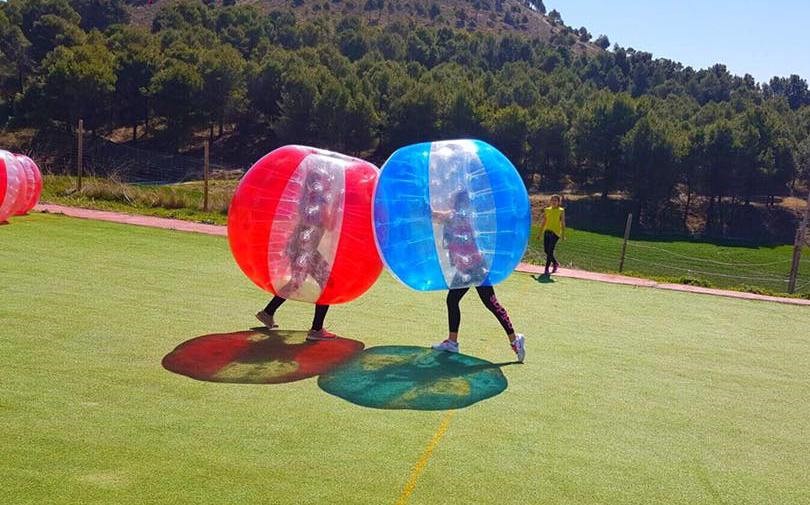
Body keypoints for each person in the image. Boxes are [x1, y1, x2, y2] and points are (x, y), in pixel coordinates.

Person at [430, 190, 526, 362]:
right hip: (472, 266)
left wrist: (422, 206)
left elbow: (436, 216)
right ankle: (513, 339)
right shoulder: (466, 217)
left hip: (471, 268)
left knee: (485, 303)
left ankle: (514, 339)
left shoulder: (455, 216)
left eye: (454, 200)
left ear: (458, 203)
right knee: (478, 302)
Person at [255, 166, 337, 341]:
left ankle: (268, 312)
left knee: (296, 282)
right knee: (328, 282)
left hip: (299, 247)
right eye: (327, 179)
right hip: (305, 249)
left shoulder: (308, 200)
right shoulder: (320, 202)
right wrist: (337, 204)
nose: (330, 181)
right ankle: (316, 330)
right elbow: (329, 225)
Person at [538, 194, 565, 276]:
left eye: (555, 200)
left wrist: (563, 235)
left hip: (556, 233)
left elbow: (563, 223)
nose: (553, 202)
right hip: (547, 231)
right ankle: (555, 263)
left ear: (558, 202)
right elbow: (544, 222)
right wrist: (540, 233)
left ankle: (546, 269)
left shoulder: (561, 210)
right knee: (546, 250)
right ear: (550, 201)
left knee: (550, 251)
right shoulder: (547, 210)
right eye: (552, 200)